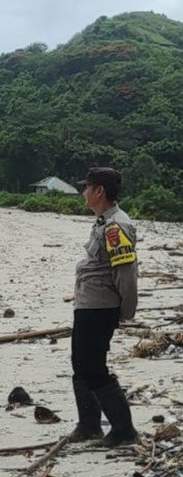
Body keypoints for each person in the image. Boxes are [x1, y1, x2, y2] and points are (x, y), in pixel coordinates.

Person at [67, 167, 139, 447]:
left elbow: (126, 273)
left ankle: (123, 429)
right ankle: (88, 426)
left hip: (101, 307)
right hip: (89, 305)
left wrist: (126, 311)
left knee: (93, 368)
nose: (84, 192)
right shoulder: (102, 221)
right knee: (80, 365)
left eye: (87, 187)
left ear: (99, 191)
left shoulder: (115, 226)